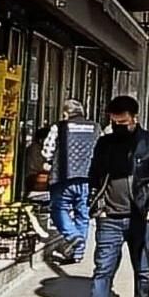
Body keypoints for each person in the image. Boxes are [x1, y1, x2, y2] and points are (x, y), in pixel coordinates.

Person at [68, 95, 149, 297]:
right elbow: (95, 174)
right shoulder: (105, 143)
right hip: (110, 218)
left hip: (140, 215)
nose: (118, 127)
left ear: (135, 118)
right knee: (102, 271)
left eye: (123, 122)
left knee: (142, 265)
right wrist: (97, 205)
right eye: (114, 122)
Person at [42, 99, 98, 262]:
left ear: (65, 113)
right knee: (83, 214)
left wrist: (49, 162)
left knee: (58, 209)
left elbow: (47, 152)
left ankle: (73, 236)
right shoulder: (95, 128)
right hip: (88, 177)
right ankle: (78, 253)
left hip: (63, 177)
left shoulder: (58, 127)